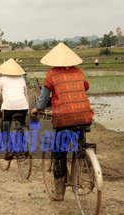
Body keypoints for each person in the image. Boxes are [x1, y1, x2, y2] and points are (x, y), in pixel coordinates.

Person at [31, 42, 94, 201]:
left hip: (64, 118)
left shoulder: (51, 74)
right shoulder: (79, 72)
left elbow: (43, 98)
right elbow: (85, 87)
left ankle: (59, 192)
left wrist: (37, 108)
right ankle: (80, 171)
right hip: (84, 115)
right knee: (80, 145)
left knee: (59, 152)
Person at [0, 58, 29, 160]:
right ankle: (23, 147)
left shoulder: (1, 80)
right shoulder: (21, 80)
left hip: (9, 107)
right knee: (20, 125)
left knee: (5, 127)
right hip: (23, 106)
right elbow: (26, 95)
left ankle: (8, 150)